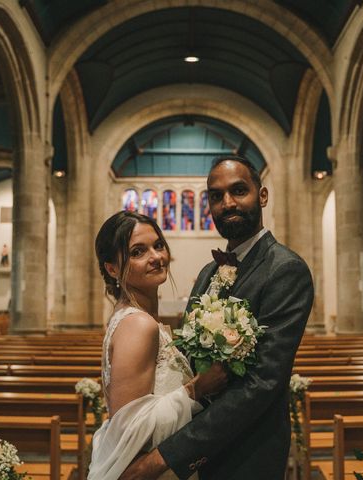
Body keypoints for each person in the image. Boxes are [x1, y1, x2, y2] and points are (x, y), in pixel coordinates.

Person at [121, 155, 314, 479]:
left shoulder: (285, 270)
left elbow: (261, 384)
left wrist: (161, 458)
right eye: (216, 195)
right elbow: (188, 358)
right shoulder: (207, 272)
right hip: (193, 442)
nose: (227, 203)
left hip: (248, 452)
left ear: (262, 195)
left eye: (239, 190)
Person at [88, 211, 227, 480]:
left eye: (158, 245)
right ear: (112, 268)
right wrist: (196, 388)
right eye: (138, 252)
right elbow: (129, 429)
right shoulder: (139, 325)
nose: (156, 257)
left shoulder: (138, 318)